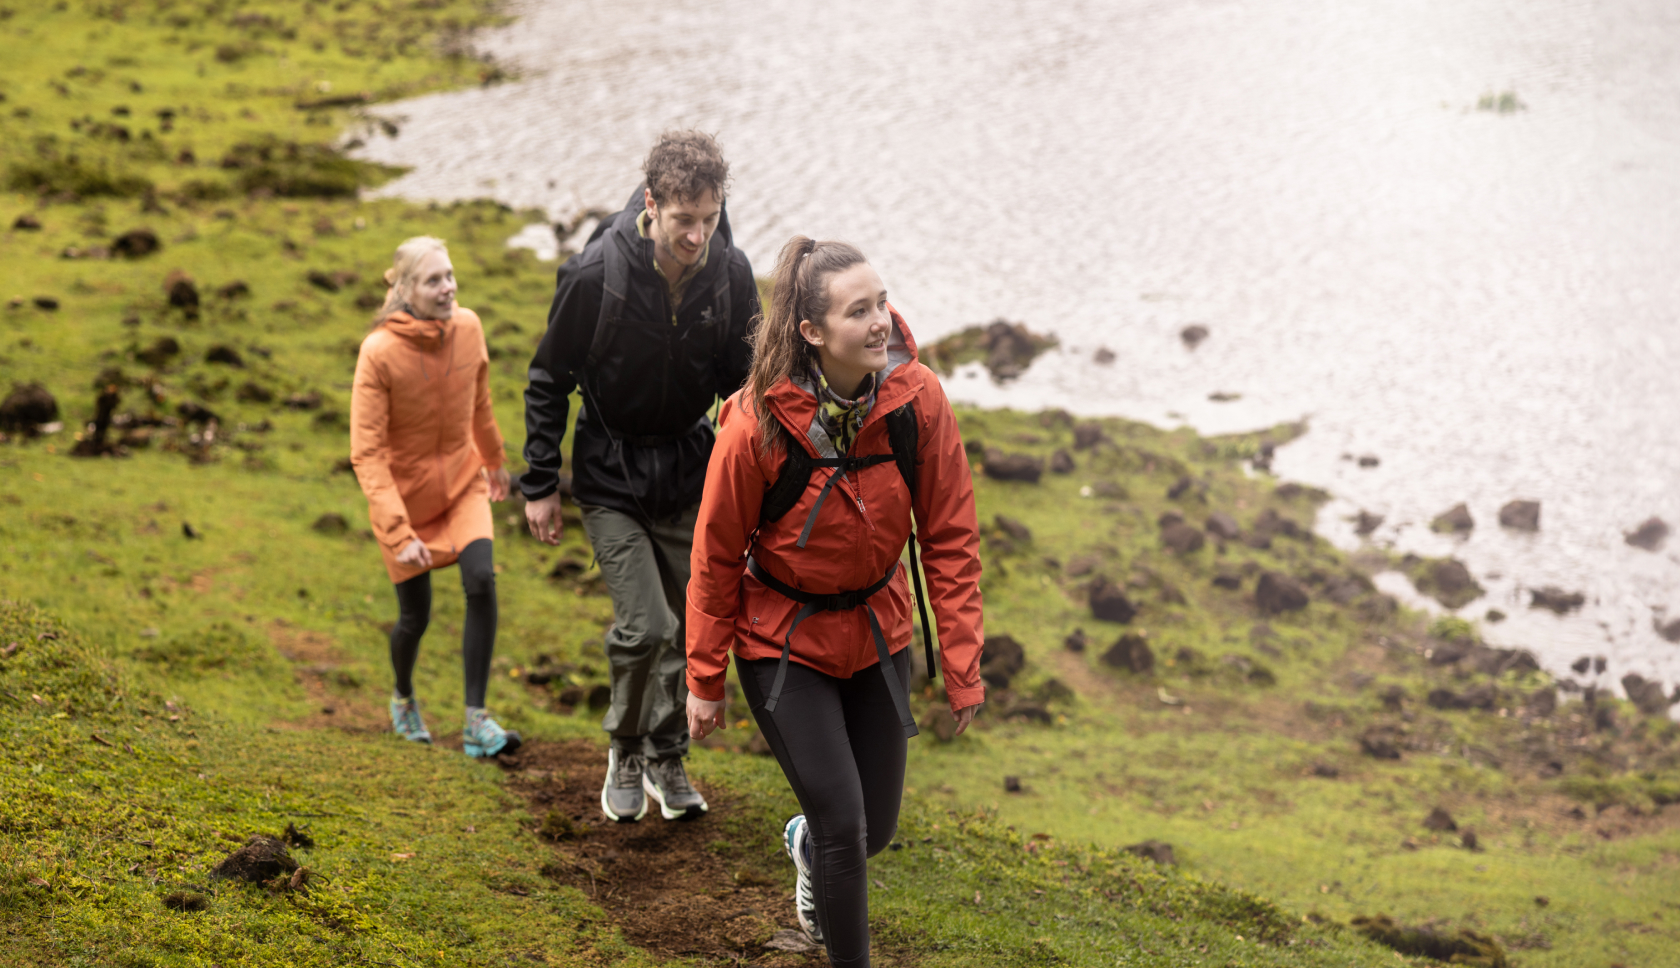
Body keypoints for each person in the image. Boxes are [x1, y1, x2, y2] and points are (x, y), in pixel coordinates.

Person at [685, 236, 985, 966]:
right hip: (782, 641)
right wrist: (704, 677)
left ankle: (805, 845)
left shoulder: (919, 400)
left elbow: (949, 537)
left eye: (881, 302)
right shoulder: (755, 425)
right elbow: (717, 555)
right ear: (812, 332)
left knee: (872, 829)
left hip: (880, 633)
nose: (881, 321)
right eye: (859, 311)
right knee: (846, 827)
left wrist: (963, 663)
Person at [521, 130, 760, 822]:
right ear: (652, 205)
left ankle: (667, 751)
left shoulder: (730, 273)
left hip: (690, 470)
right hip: (611, 474)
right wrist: (540, 482)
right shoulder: (595, 275)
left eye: (709, 219)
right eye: (684, 220)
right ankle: (625, 746)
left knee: (696, 623)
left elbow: (744, 387)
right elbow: (547, 379)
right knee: (647, 625)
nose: (697, 235)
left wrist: (762, 476)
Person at [350, 235, 521, 759]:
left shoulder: (468, 327)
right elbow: (368, 454)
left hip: (463, 481)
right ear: (404, 289)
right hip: (402, 501)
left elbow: (481, 401)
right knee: (414, 618)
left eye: (449, 276)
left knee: (481, 581)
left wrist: (494, 462)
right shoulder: (378, 352)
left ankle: (476, 721)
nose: (447, 288)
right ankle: (402, 698)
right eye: (433, 280)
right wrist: (399, 533)